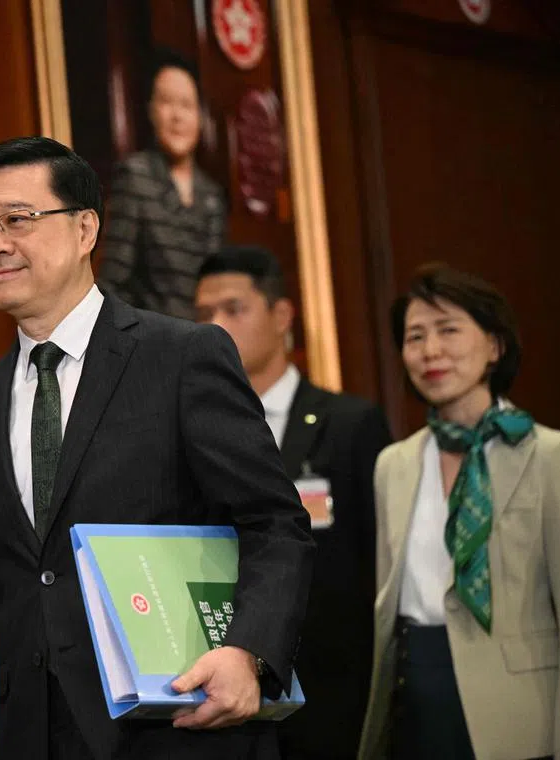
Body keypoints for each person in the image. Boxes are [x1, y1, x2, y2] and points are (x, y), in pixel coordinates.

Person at [0, 136, 314, 760]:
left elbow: (275, 523)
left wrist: (248, 651)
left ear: (85, 229)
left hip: (180, 729)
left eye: (17, 220)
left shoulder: (182, 359)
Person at [358, 264, 560, 760]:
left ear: (494, 346)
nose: (431, 351)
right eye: (415, 336)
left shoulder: (551, 455)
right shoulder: (395, 464)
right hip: (414, 700)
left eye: (449, 330)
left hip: (514, 716)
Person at [195, 244, 391, 760]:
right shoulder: (194, 433)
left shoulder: (349, 425)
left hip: (333, 691)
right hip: (228, 689)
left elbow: (380, 565)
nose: (214, 326)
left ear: (282, 315)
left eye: (233, 309)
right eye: (203, 314)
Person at [97, 48, 227, 320]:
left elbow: (217, 286)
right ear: (151, 111)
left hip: (200, 343)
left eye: (187, 105)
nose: (177, 116)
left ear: (201, 117)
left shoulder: (212, 194)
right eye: (167, 102)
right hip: (151, 341)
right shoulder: (135, 176)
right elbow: (113, 282)